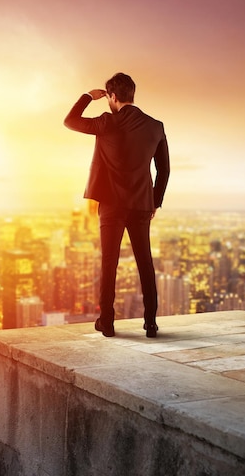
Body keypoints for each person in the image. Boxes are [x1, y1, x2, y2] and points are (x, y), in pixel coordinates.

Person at [64, 72, 170, 338]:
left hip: (111, 205)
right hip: (141, 204)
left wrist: (88, 96)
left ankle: (107, 322)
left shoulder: (106, 122)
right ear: (132, 94)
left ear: (112, 96)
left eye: (108, 97)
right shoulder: (156, 126)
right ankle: (151, 323)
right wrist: (154, 201)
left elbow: (70, 121)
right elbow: (164, 170)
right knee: (145, 262)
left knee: (109, 262)